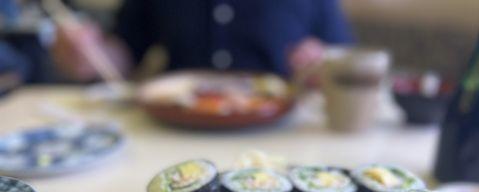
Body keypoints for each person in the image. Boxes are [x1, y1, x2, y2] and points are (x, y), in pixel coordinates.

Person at [51, 0, 354, 82]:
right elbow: (123, 54)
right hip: (174, 129)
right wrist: (89, 54)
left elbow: (342, 57)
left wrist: (321, 62)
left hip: (281, 130)